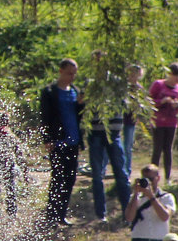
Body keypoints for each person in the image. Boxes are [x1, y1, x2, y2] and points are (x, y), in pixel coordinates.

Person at [39, 59, 84, 226]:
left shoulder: (75, 91)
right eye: (69, 73)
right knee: (58, 178)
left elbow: (79, 116)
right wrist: (47, 139)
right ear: (61, 71)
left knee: (70, 178)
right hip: (58, 143)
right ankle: (51, 215)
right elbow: (45, 117)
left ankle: (61, 214)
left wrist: (81, 104)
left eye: (74, 74)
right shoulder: (50, 92)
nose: (72, 77)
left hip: (73, 141)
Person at [87, 110, 132, 224]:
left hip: (114, 134)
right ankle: (101, 215)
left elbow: (128, 105)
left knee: (121, 175)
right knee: (97, 175)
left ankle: (127, 214)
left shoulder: (119, 93)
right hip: (96, 133)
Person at [149, 63, 178, 181]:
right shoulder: (158, 85)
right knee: (157, 149)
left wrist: (177, 106)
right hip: (158, 122)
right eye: (174, 75)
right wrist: (161, 101)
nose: (176, 78)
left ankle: (167, 177)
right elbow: (148, 102)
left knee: (168, 150)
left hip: (171, 123)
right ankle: (152, 176)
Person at [122, 64, 145, 178]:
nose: (132, 76)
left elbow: (141, 106)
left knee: (128, 146)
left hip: (130, 120)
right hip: (120, 118)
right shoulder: (122, 88)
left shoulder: (139, 89)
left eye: (135, 74)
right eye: (131, 73)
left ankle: (127, 170)